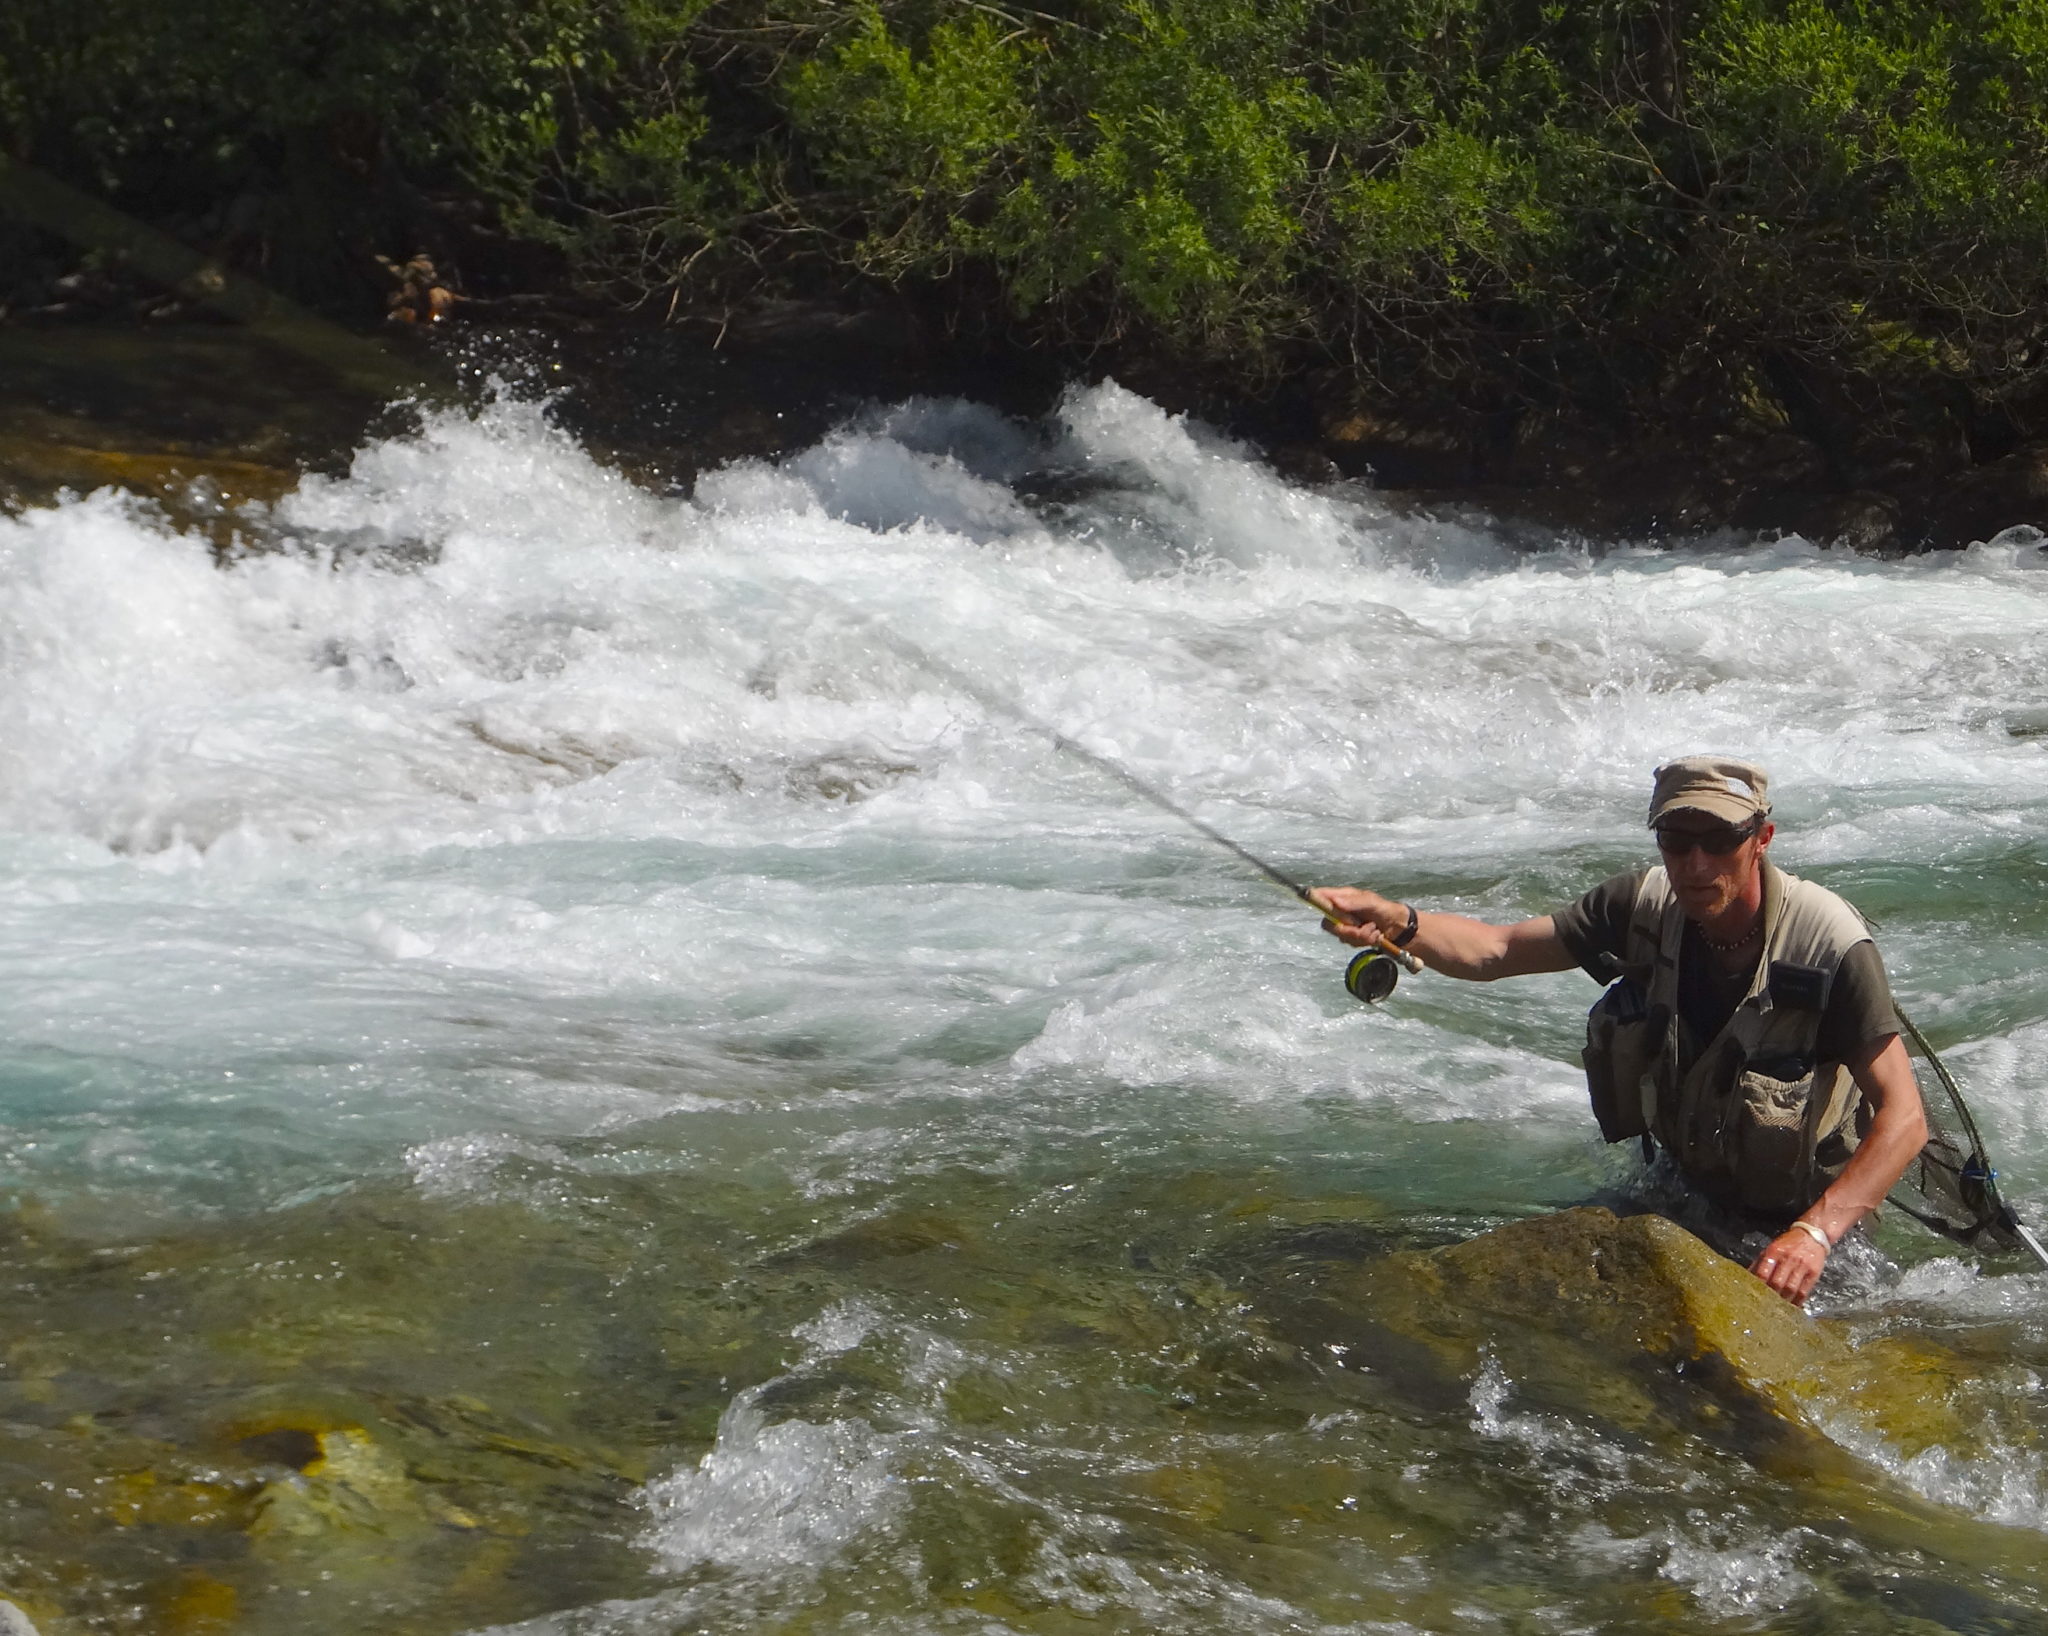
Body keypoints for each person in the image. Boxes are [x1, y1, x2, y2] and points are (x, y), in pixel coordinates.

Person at [1311, 756, 1928, 1307]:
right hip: (1683, 1197)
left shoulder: (1829, 945)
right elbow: (1497, 951)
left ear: (1761, 839)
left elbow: (1904, 1118)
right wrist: (1402, 920)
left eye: (1719, 840)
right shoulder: (1641, 906)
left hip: (1810, 1227)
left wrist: (1814, 1235)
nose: (1695, 863)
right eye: (1676, 840)